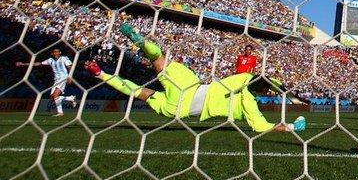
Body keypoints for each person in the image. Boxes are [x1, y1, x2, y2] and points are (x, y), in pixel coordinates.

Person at [84, 23, 306, 133]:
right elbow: (261, 127)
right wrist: (292, 126)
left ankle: (140, 44)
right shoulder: (247, 104)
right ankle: (101, 73)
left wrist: (283, 91)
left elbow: (262, 80)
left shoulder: (241, 79)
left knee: (158, 60)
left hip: (189, 87)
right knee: (138, 92)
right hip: (178, 109)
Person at [16, 48, 77, 117]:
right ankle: (70, 98)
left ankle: (60, 113)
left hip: (63, 78)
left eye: (57, 52)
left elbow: (69, 67)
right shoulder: (50, 60)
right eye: (54, 52)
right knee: (52, 98)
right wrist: (24, 64)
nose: (56, 53)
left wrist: (70, 76)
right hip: (56, 79)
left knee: (55, 96)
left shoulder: (64, 58)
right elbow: (38, 63)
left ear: (60, 52)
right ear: (52, 53)